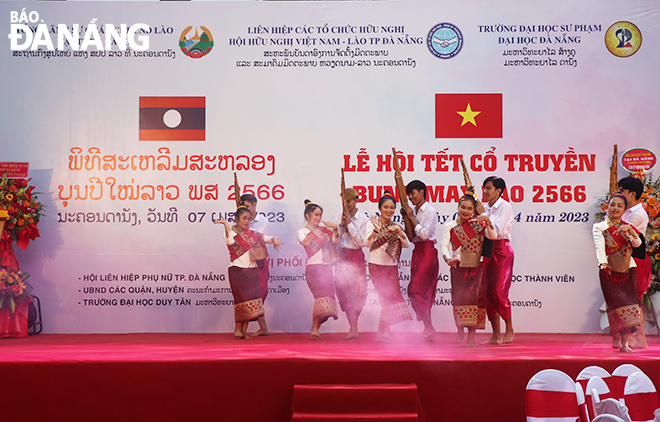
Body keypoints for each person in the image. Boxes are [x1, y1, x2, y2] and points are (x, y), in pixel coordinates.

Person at [215, 202, 282, 339]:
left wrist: (274, 239)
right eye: (243, 218)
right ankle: (239, 330)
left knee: (251, 301)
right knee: (241, 300)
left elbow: (264, 238)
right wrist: (226, 227)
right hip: (237, 271)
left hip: (252, 270)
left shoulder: (252, 234)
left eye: (248, 218)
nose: (246, 221)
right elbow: (230, 242)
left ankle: (242, 331)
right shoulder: (230, 232)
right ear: (237, 219)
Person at [440, 194, 496, 348]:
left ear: (474, 210)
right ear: (458, 207)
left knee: (475, 302)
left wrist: (487, 221)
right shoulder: (450, 226)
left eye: (469, 208)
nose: (465, 211)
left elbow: (493, 235)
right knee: (459, 301)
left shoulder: (479, 225)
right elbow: (444, 245)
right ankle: (460, 331)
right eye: (462, 207)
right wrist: (447, 258)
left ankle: (471, 336)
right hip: (458, 268)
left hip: (475, 269)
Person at [593, 194, 642, 353]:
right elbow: (599, 245)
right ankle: (617, 336)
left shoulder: (627, 226)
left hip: (628, 270)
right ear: (607, 206)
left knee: (629, 305)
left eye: (619, 206)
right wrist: (603, 263)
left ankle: (625, 343)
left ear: (625, 209)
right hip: (609, 270)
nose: (615, 208)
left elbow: (638, 244)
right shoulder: (599, 227)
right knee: (615, 306)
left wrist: (631, 232)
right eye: (612, 204)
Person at [365, 190, 412, 342]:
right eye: (386, 207)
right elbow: (367, 243)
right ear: (379, 208)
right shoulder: (371, 223)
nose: (389, 210)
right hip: (376, 265)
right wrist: (376, 232)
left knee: (390, 298)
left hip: (391, 266)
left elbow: (406, 244)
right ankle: (384, 331)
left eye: (392, 208)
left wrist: (398, 230)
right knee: (383, 296)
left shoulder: (395, 226)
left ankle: (383, 331)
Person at [480, 176, 515, 345]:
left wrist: (484, 217)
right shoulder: (485, 207)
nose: (485, 191)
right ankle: (495, 335)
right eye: (484, 188)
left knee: (499, 292)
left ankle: (509, 328)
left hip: (501, 250)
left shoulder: (504, 206)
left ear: (498, 190)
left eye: (488, 188)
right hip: (486, 249)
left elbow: (497, 230)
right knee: (488, 293)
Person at [298, 200, 340, 340]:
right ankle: (314, 329)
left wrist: (334, 229)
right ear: (308, 215)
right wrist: (317, 233)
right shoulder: (302, 231)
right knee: (321, 298)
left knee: (328, 304)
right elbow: (304, 242)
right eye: (316, 215)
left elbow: (336, 241)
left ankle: (315, 328)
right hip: (314, 270)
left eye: (320, 215)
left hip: (326, 268)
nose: (318, 218)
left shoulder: (325, 231)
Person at [404, 180, 439, 341]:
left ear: (422, 192)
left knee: (415, 289)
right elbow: (411, 237)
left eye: (413, 193)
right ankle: (428, 328)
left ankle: (429, 326)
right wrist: (407, 218)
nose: (411, 197)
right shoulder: (414, 211)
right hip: (417, 252)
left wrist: (412, 218)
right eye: (409, 195)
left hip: (427, 252)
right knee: (419, 291)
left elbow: (424, 235)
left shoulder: (429, 211)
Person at [333, 188, 369, 340]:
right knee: (345, 293)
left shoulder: (363, 219)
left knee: (360, 292)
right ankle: (353, 328)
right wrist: (341, 226)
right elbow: (334, 242)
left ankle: (354, 326)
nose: (346, 204)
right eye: (343, 201)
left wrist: (351, 225)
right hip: (342, 257)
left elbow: (361, 242)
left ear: (356, 200)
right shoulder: (336, 217)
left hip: (356, 257)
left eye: (348, 201)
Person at [240, 193, 271, 336]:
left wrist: (243, 222)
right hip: (245, 261)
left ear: (255, 205)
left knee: (260, 292)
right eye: (242, 207)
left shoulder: (262, 221)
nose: (245, 209)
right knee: (249, 294)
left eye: (247, 206)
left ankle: (262, 327)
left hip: (259, 260)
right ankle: (261, 328)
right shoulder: (240, 220)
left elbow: (253, 240)